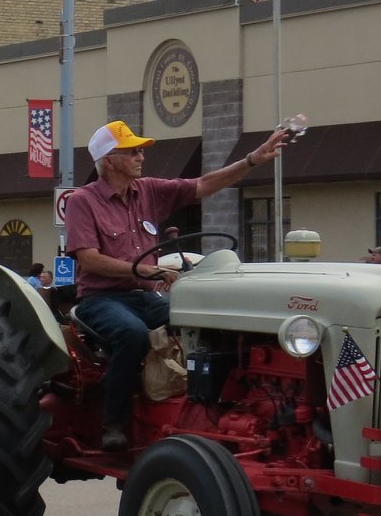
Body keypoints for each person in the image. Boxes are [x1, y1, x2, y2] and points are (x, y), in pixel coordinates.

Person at [65, 118, 292, 451]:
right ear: (109, 160)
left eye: (140, 150)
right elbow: (90, 260)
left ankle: (208, 406)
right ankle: (114, 422)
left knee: (203, 320)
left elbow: (203, 185)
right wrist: (149, 272)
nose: (141, 156)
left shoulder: (149, 191)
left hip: (143, 296)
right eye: (133, 151)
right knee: (131, 335)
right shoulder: (83, 201)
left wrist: (252, 159)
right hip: (101, 299)